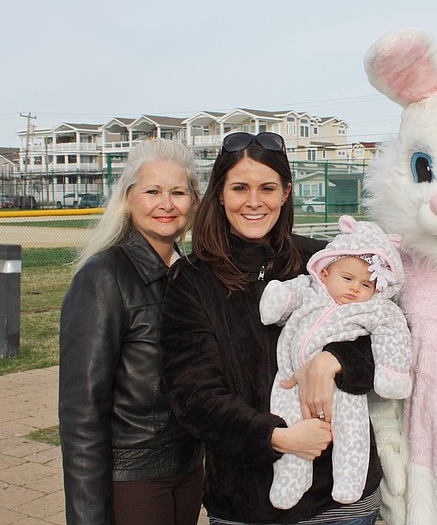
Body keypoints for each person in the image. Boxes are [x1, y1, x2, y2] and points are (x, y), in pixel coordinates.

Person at [159, 131, 383, 525]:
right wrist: (274, 437)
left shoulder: (325, 261)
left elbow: (384, 340)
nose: (253, 201)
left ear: (286, 192)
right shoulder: (192, 279)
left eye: (267, 188)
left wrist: (335, 360)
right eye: (239, 188)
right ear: (220, 194)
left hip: (340, 499)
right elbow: (193, 393)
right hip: (247, 502)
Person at [59, 138, 204, 525]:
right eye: (152, 191)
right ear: (128, 198)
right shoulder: (102, 278)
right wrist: (88, 515)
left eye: (178, 192)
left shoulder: (189, 274)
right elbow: (81, 414)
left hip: (189, 471)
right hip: (135, 478)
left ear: (194, 202)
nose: (166, 203)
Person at [260, 215, 411, 510]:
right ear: (326, 273)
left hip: (342, 388)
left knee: (351, 430)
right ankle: (291, 479)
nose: (355, 288)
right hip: (290, 379)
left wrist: (392, 373)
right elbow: (289, 296)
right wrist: (278, 299)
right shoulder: (312, 290)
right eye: (347, 278)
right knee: (290, 425)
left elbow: (394, 332)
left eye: (366, 283)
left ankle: (350, 479)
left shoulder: (373, 309)